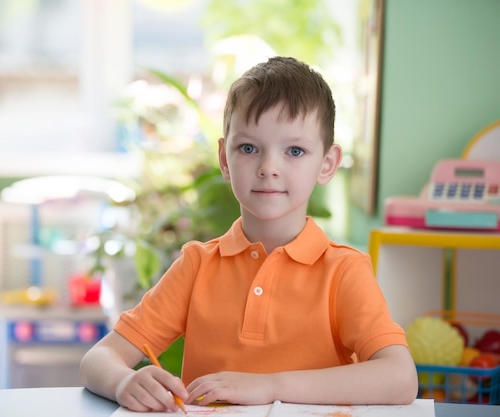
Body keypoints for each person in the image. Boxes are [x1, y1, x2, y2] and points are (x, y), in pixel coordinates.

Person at [80, 56, 418, 412]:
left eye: (294, 150)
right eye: (248, 148)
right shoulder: (196, 266)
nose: (268, 168)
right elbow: (98, 358)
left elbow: (400, 378)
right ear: (225, 160)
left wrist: (271, 386)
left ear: (327, 164)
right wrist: (124, 381)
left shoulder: (344, 271)